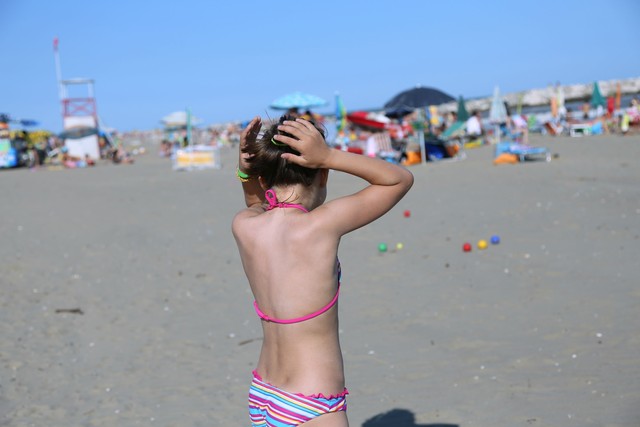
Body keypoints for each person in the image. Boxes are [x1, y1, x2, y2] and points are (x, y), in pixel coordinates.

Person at [232, 115, 413, 427]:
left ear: (262, 178)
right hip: (311, 398)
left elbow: (256, 202)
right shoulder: (320, 225)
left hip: (263, 392)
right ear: (323, 175)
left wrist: (246, 173)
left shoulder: (245, 226)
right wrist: (330, 156)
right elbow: (399, 179)